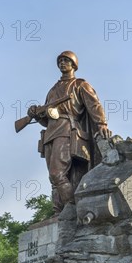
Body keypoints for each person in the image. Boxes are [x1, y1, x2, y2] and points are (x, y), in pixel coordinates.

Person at [28, 51, 111, 214]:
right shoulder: (52, 90)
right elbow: (48, 119)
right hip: (51, 133)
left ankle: (72, 209)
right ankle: (59, 212)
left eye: (66, 60)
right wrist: (36, 115)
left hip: (67, 130)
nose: (62, 63)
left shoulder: (80, 84)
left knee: (56, 173)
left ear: (74, 64)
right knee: (54, 180)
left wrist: (101, 123)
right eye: (60, 61)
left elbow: (94, 105)